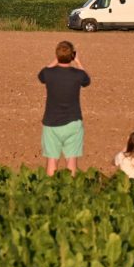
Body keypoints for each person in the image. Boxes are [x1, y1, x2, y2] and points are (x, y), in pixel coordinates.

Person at [39, 41, 90, 174]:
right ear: (72, 55)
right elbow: (87, 80)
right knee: (71, 161)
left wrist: (56, 60)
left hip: (51, 123)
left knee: (52, 160)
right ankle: (71, 190)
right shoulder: (78, 75)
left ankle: (49, 190)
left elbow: (41, 75)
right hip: (73, 122)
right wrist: (78, 62)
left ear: (57, 55)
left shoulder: (49, 74)